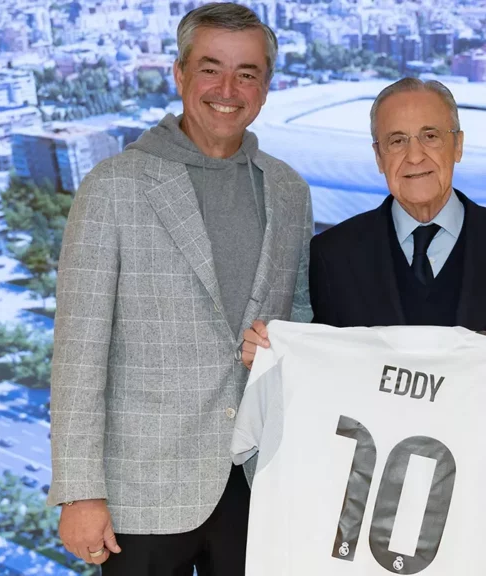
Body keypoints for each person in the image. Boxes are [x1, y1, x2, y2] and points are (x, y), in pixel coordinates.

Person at [240, 77, 486, 576]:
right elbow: (319, 378)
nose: (415, 154)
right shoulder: (334, 253)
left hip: (485, 518)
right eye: (396, 141)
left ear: (458, 144)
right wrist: (272, 359)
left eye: (430, 135)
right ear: (379, 157)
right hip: (362, 529)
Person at [48, 4, 313, 575]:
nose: (228, 89)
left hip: (258, 480)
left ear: (266, 86)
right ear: (179, 75)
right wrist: (78, 492)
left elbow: (301, 312)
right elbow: (77, 354)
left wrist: (287, 339)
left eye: (247, 73)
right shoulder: (114, 185)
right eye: (210, 68)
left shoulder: (289, 190)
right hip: (142, 491)